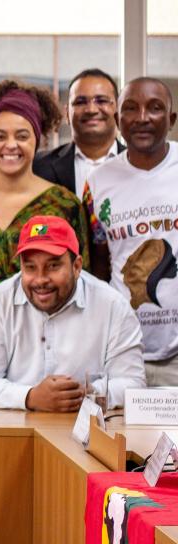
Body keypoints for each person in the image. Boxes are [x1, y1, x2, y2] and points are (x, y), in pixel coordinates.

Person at [0, 81, 89, 376]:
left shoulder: (63, 203)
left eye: (22, 135)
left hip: (47, 336)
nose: (10, 145)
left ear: (37, 140)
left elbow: (82, 282)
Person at [0, 216, 144, 410]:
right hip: (16, 426)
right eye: (30, 267)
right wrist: (30, 397)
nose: (40, 279)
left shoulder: (113, 305)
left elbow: (133, 384)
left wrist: (85, 394)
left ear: (77, 266)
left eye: (53, 266)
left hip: (85, 425)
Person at [84, 77, 178, 386]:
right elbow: (99, 265)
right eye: (131, 108)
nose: (142, 117)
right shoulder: (97, 182)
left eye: (155, 108)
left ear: (172, 119)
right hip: (124, 349)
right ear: (117, 119)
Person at [33, 68, 125, 196]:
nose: (91, 110)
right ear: (67, 113)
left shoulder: (139, 166)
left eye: (101, 101)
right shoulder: (37, 167)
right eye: (80, 102)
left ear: (118, 109)